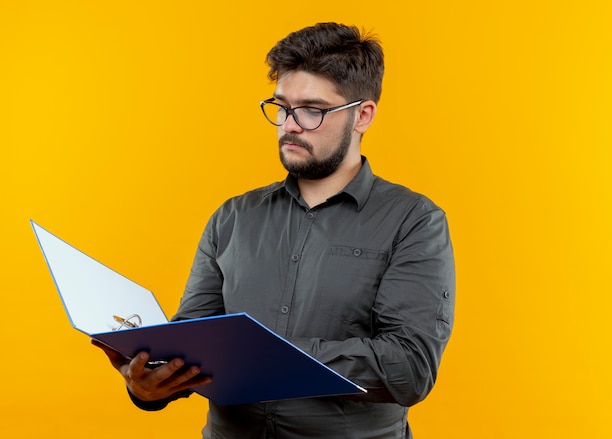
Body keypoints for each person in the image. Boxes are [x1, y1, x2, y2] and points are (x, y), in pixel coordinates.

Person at [93, 22, 455, 438]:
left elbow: (409, 369)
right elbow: (191, 345)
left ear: (363, 116)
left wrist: (263, 353)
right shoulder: (232, 217)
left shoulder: (414, 222)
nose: (290, 125)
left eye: (312, 110)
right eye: (282, 106)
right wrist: (150, 387)